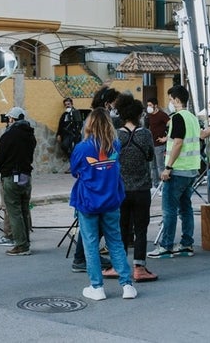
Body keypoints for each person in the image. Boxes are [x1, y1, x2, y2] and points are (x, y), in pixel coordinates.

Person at [70, 107, 137, 300]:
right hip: (111, 201)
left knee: (91, 245)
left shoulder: (82, 148)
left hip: (88, 202)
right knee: (115, 242)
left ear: (89, 124)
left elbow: (74, 171)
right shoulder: (114, 144)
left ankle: (97, 287)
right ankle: (127, 286)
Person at [147, 85, 200, 259]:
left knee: (169, 209)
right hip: (191, 169)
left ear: (177, 100)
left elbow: (178, 143)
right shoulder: (192, 117)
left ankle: (166, 246)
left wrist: (168, 167)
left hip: (178, 170)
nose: (169, 103)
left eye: (170, 99)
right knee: (186, 209)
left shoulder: (177, 117)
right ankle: (186, 244)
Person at [108, 93, 157, 282]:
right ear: (138, 115)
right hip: (142, 188)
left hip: (121, 189)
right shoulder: (145, 134)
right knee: (141, 229)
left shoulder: (116, 136)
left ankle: (117, 266)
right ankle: (139, 268)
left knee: (121, 228)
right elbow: (150, 156)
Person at [0, 107, 37, 256]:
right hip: (26, 176)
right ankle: (25, 242)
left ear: (12, 119)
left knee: (14, 212)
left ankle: (21, 246)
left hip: (12, 176)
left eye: (8, 118)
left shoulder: (9, 135)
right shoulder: (30, 135)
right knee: (23, 210)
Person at [145, 97, 169, 185]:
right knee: (152, 167)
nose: (148, 107)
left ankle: (163, 186)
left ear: (155, 105)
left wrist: (166, 138)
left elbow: (171, 125)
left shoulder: (162, 115)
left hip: (159, 145)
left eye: (150, 105)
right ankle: (155, 185)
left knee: (160, 166)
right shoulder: (148, 116)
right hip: (151, 144)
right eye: (147, 105)